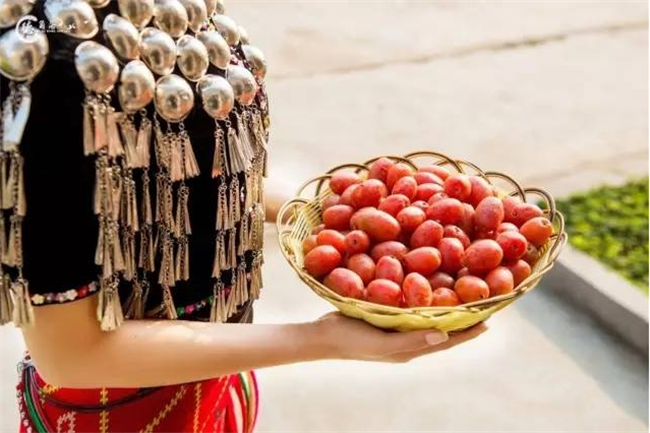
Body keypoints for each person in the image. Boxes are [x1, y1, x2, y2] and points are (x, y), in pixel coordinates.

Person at [1, 2, 486, 432]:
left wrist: (331, 209)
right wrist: (319, 340)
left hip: (219, 377)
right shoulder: (47, 69)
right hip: (121, 411)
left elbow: (182, 177)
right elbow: (72, 355)